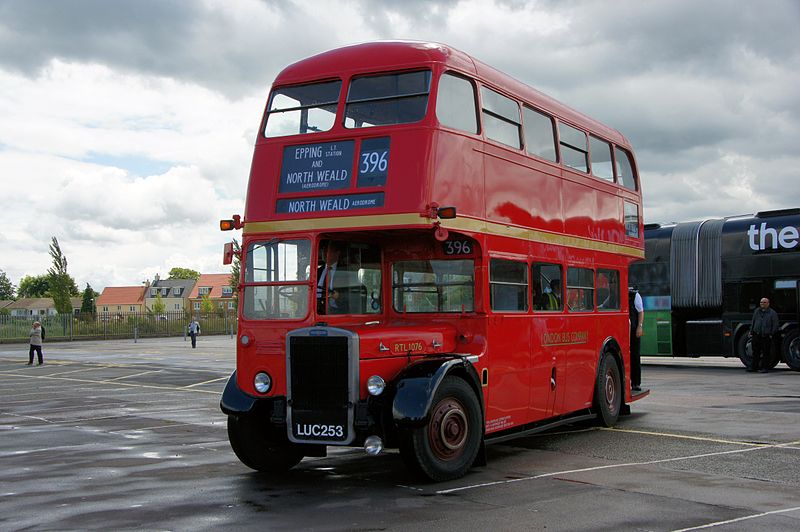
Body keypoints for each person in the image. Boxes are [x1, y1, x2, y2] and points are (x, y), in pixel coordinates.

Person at [749, 297, 779, 373]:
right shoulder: (757, 311)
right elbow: (753, 321)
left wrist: (771, 333)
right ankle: (754, 367)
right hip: (756, 335)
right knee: (755, 352)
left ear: (768, 303)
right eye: (761, 302)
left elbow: (775, 324)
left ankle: (765, 367)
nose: (762, 304)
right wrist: (751, 331)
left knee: (766, 353)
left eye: (764, 302)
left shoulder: (772, 313)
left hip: (766, 336)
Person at [317, 241, 347, 314]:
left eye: (328, 251)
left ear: (337, 253)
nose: (324, 253)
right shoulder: (317, 271)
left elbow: (353, 295)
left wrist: (339, 296)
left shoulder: (345, 271)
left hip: (338, 313)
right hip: (317, 311)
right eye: (323, 250)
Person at [628, 287, 644, 391]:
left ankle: (636, 383)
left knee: (635, 355)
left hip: (633, 330)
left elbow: (641, 311)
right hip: (624, 330)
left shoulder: (635, 295)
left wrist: (640, 326)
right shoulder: (616, 293)